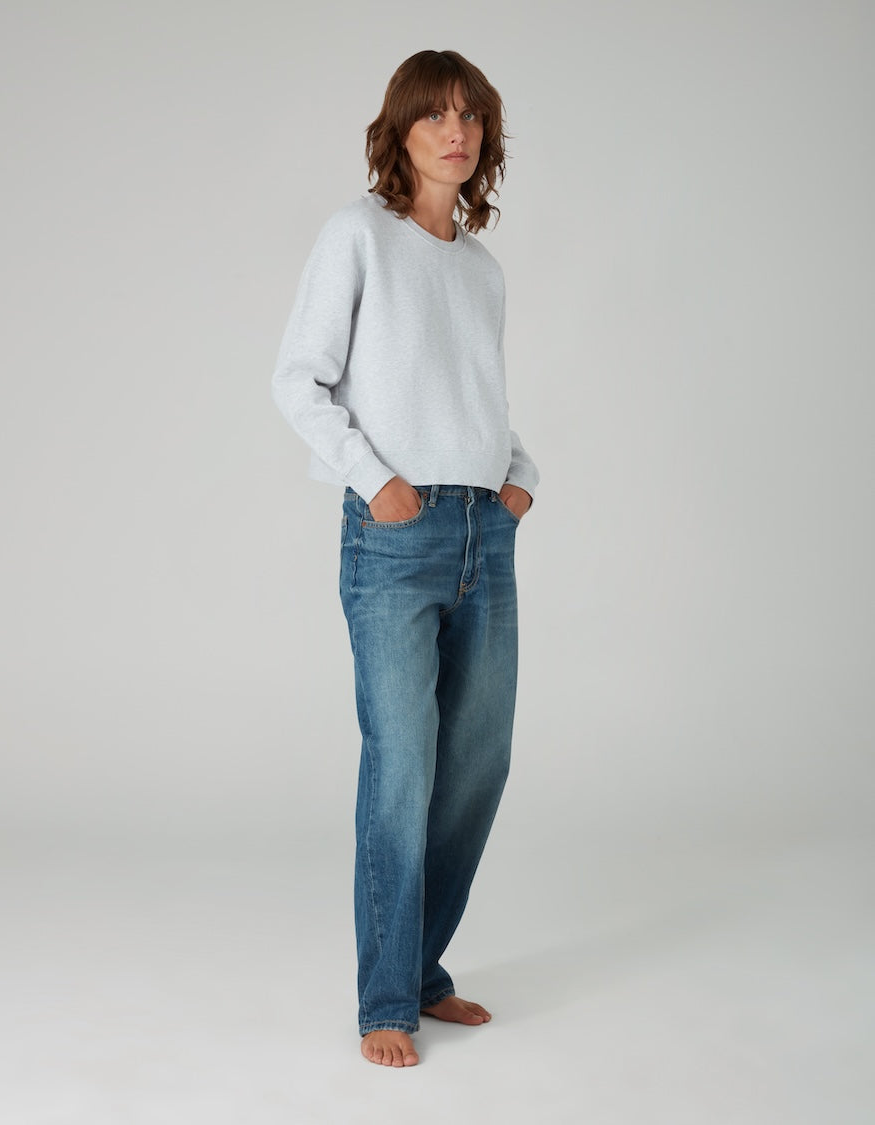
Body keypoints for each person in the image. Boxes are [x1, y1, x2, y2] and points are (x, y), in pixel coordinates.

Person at [271, 49, 539, 1067]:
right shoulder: (358, 235)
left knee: (477, 760)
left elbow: (477, 398)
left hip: (483, 532)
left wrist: (520, 479)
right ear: (403, 129)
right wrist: (373, 479)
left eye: (471, 117)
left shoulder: (481, 268)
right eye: (436, 115)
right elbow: (299, 380)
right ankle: (386, 997)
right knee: (401, 764)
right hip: (395, 533)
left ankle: (422, 968)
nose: (455, 132)